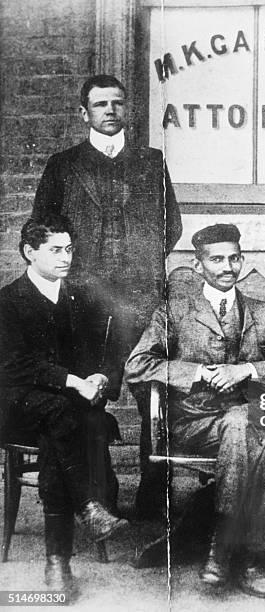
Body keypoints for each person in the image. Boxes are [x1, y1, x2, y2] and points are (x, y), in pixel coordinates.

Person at [125, 224, 265, 599]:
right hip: (196, 422)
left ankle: (222, 548)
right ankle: (249, 559)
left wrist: (249, 369)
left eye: (234, 258)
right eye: (217, 259)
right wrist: (194, 372)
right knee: (256, 436)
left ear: (242, 260)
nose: (228, 267)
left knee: (246, 424)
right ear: (198, 267)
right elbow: (136, 365)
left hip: (247, 419)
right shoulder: (173, 313)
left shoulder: (262, 313)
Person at [33, 74, 182, 517]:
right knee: (84, 393)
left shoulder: (151, 161)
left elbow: (170, 225)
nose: (110, 111)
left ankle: (153, 498)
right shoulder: (63, 165)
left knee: (154, 392)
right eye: (101, 105)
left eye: (118, 103)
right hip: (82, 299)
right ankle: (99, 495)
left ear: (127, 110)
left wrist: (139, 266)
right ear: (85, 113)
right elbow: (42, 228)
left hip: (139, 299)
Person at [0, 214, 128, 600]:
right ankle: (90, 505)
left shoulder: (80, 298)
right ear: (29, 252)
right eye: (55, 250)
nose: (65, 257)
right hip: (17, 405)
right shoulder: (7, 301)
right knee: (65, 416)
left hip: (65, 410)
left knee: (66, 425)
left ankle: (58, 561)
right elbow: (12, 364)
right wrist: (72, 381)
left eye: (69, 249)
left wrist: (101, 378)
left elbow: (104, 353)